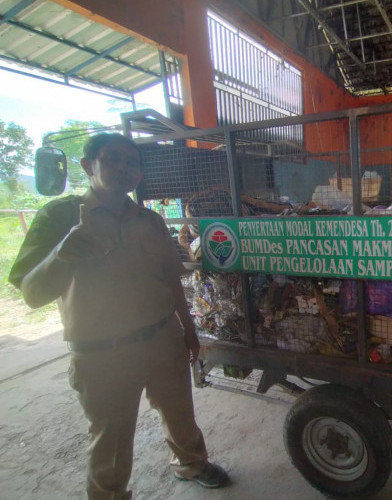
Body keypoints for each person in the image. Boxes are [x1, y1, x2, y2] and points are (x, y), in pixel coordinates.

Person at [9, 133, 229, 499]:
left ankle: (191, 464)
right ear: (88, 166)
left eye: (132, 163)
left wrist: (188, 330)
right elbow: (31, 295)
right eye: (112, 159)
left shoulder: (150, 220)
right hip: (100, 353)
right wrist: (64, 251)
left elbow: (171, 279)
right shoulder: (60, 216)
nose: (123, 168)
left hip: (162, 339)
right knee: (111, 436)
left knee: (180, 414)